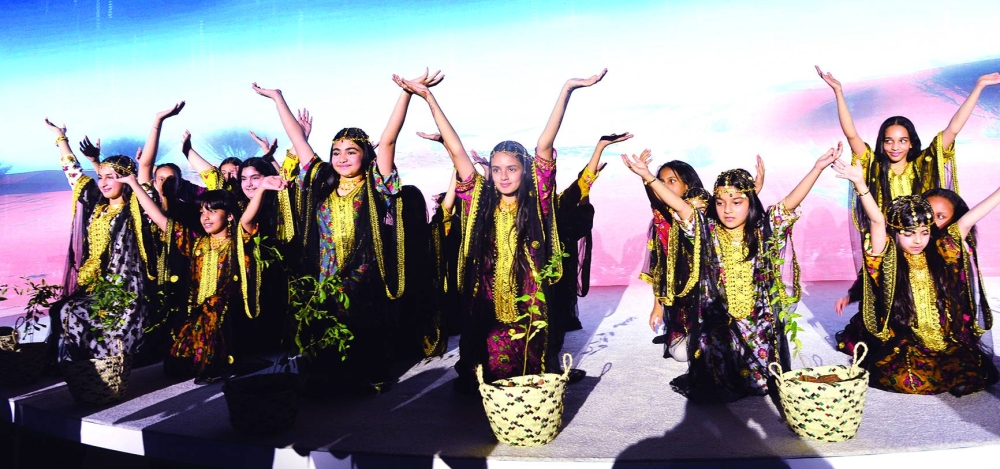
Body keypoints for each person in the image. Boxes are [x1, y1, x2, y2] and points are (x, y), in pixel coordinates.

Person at [396, 67, 608, 391]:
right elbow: (457, 151)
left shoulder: (537, 201)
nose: (503, 176)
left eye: (511, 169)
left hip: (530, 297)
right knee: (488, 367)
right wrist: (428, 98)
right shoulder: (480, 198)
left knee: (529, 367)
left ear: (526, 171)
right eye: (496, 169)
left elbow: (544, 145)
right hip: (487, 298)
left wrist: (566, 89)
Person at [251, 69, 441, 394]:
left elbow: (390, 139)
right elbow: (299, 141)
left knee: (362, 335)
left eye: (351, 151)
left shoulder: (375, 184)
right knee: (325, 335)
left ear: (365, 155)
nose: (341, 158)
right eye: (336, 152)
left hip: (364, 277)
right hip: (326, 273)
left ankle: (363, 379)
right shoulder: (323, 181)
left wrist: (406, 93)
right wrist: (277, 97)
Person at [623, 143, 841, 403]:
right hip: (720, 324)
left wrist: (817, 167)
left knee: (762, 380)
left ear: (750, 202)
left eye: (736, 202)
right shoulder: (708, 232)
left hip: (756, 320)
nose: (727, 209)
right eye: (720, 202)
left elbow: (790, 202)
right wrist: (648, 177)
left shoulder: (763, 230)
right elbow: (681, 208)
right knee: (716, 375)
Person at [830, 157, 998, 395]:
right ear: (896, 233)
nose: (918, 240)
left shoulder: (942, 251)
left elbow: (969, 219)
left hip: (943, 337)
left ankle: (953, 376)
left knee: (972, 367)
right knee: (904, 377)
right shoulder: (887, 257)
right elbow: (877, 220)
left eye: (924, 232)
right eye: (909, 234)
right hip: (909, 338)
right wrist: (860, 184)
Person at [122, 169, 285, 380]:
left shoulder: (238, 241)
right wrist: (134, 184)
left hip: (229, 315)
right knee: (176, 363)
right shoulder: (197, 243)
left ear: (228, 216)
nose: (205, 217)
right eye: (201, 212)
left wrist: (262, 188)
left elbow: (246, 220)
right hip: (198, 312)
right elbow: (162, 220)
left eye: (212, 211)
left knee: (214, 309)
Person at [44, 118, 161, 363]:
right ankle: (84, 368)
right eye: (101, 177)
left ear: (127, 179)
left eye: (112, 177)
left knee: (81, 316)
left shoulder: (137, 208)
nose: (104, 182)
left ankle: (107, 366)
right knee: (64, 311)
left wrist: (157, 122)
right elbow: (73, 172)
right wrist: (60, 137)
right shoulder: (96, 204)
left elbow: (146, 166)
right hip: (97, 285)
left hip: (126, 290)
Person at [644, 158, 762, 361]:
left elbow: (732, 211)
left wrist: (754, 191)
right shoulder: (662, 221)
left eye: (671, 181)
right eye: (661, 182)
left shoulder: (705, 214)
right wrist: (658, 305)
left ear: (688, 184)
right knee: (684, 354)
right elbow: (661, 267)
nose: (664, 187)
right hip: (685, 301)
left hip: (717, 299)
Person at [548, 132, 633, 380]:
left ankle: (551, 367)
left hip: (557, 270)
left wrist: (601, 146)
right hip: (531, 273)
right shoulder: (519, 204)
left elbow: (583, 182)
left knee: (556, 317)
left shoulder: (559, 201)